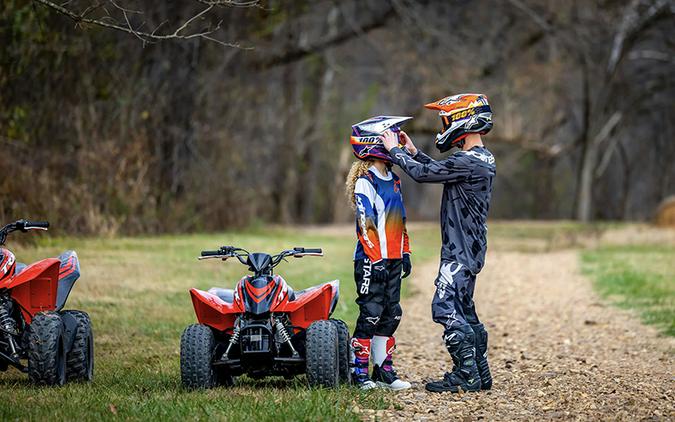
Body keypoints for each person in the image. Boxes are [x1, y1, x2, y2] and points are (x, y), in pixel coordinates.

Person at [380, 94, 495, 393]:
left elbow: (422, 175)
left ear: (463, 121)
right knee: (464, 309)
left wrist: (394, 151)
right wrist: (413, 151)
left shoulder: (467, 162)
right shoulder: (480, 159)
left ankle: (466, 374)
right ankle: (480, 373)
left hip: (458, 250)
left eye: (447, 121)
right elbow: (438, 170)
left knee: (444, 307)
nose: (444, 127)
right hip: (469, 248)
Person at [346, 116, 413, 390]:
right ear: (375, 143)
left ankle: (383, 371)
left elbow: (400, 219)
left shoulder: (394, 180)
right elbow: (366, 224)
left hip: (394, 259)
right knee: (371, 313)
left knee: (391, 313)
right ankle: (358, 371)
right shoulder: (366, 181)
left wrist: (405, 252)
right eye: (391, 136)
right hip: (371, 261)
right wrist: (376, 259)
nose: (395, 140)